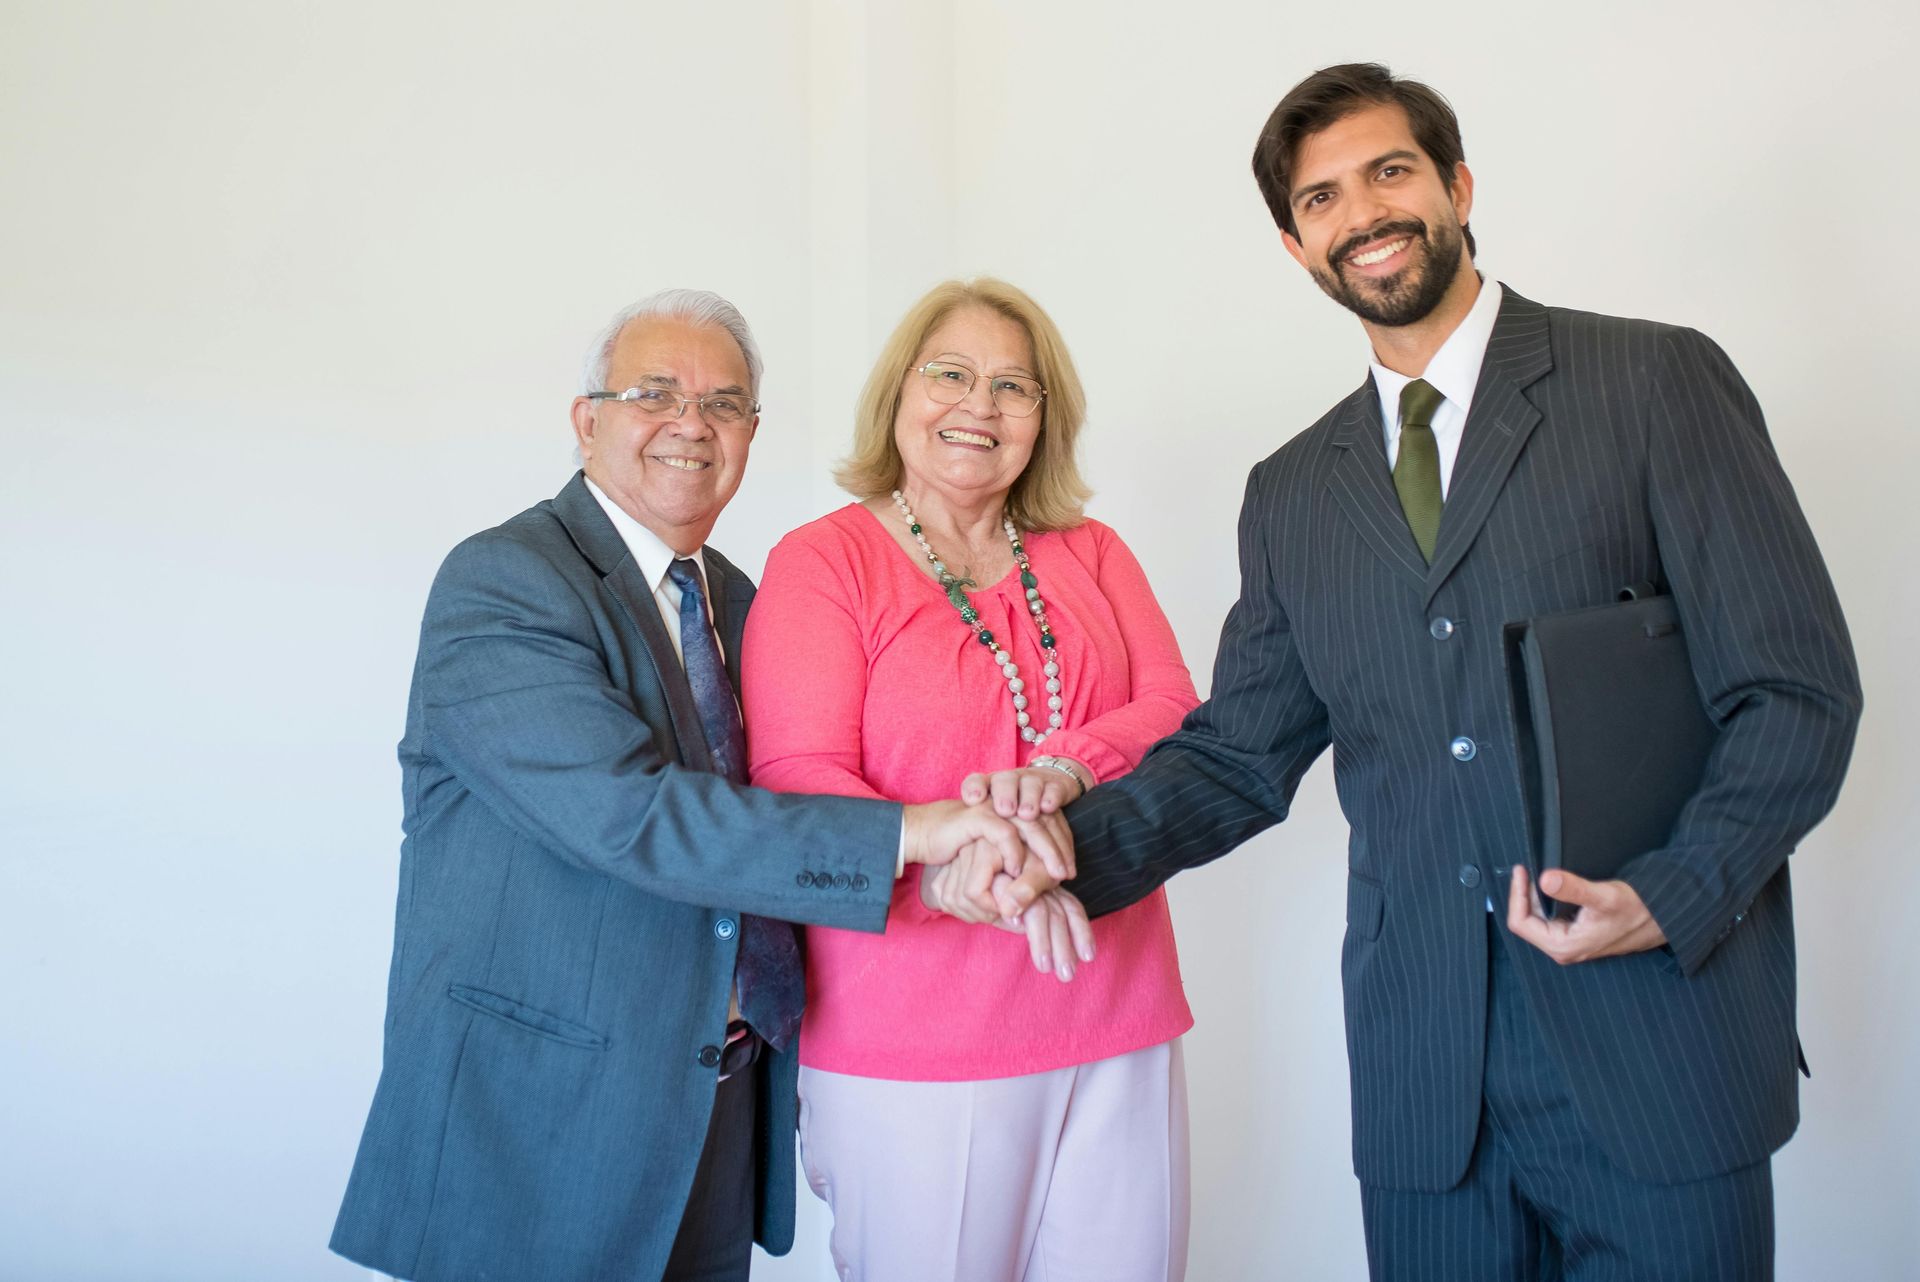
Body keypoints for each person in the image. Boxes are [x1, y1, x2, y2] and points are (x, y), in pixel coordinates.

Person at [1037, 65, 1861, 1280]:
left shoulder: (1653, 382)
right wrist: (1059, 851)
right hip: (1429, 1085)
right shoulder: (1292, 491)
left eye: (1390, 171)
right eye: (1322, 198)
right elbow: (1237, 754)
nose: (1362, 212)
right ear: (1294, 242)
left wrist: (1678, 892)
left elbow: (1795, 693)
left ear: (1457, 184)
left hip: (1659, 1049)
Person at [328, 288, 1070, 1282]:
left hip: (715, 1104)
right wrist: (919, 833)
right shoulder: (504, 582)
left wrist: (957, 873)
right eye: (655, 393)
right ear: (587, 419)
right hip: (536, 1123)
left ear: (752, 436)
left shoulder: (737, 597)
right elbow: (634, 814)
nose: (692, 423)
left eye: (725, 404)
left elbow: (788, 798)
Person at [741, 278, 1200, 1281]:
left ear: (1046, 419)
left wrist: (1067, 769)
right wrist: (949, 864)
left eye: (1013, 386)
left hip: (1114, 1002)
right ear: (898, 394)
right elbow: (797, 779)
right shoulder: (825, 562)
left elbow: (1174, 710)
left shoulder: (1094, 550)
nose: (978, 406)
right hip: (911, 1034)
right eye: (949, 373)